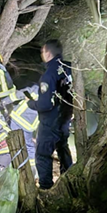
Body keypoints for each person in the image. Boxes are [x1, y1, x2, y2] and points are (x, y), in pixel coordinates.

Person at [29, 39, 73, 190]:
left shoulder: (49, 75)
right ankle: (69, 182)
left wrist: (31, 104)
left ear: (48, 53)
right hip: (65, 118)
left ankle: (46, 188)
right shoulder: (69, 68)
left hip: (50, 121)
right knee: (63, 149)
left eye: (42, 52)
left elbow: (45, 104)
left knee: (42, 154)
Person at [9, 84, 40, 180]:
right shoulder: (52, 97)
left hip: (17, 118)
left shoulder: (36, 89)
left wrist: (5, 100)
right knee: (29, 146)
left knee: (14, 143)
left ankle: (15, 167)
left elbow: (17, 94)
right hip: (30, 125)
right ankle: (33, 171)